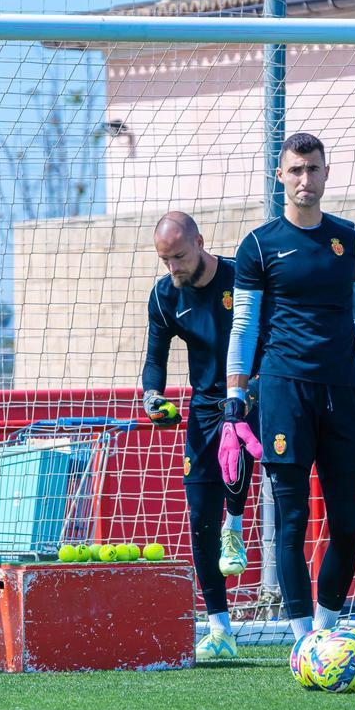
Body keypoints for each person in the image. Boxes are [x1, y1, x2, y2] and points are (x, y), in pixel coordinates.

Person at [222, 132, 355, 642]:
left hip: (345, 394)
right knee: (293, 519)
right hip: (284, 392)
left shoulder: (353, 239)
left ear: (326, 173)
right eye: (296, 170)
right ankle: (303, 640)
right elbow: (244, 327)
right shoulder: (258, 245)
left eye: (313, 169)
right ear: (281, 176)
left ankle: (329, 628)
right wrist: (235, 404)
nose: (305, 178)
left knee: (347, 525)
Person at [141, 211, 259, 660]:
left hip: (253, 392)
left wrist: (249, 391)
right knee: (197, 516)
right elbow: (155, 357)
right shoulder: (166, 295)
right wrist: (153, 397)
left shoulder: (238, 278)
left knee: (241, 446)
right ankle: (220, 628)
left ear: (200, 242)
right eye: (166, 259)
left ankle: (237, 521)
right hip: (204, 406)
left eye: (180, 256)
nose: (174, 267)